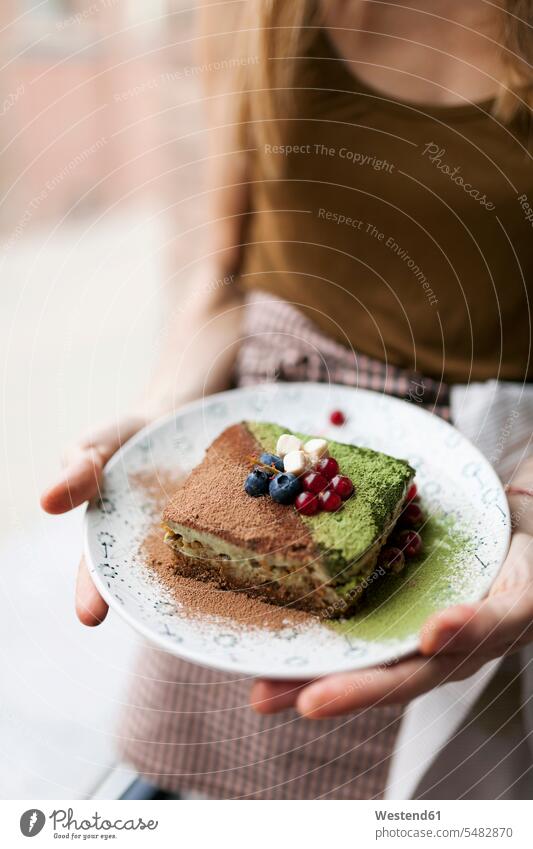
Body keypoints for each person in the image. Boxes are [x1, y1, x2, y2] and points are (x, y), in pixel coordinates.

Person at [41, 0, 533, 799]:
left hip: (488, 506)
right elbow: (225, 282)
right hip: (256, 452)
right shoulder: (258, 10)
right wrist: (156, 416)